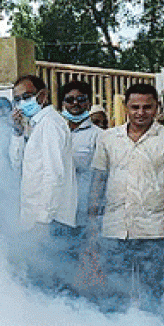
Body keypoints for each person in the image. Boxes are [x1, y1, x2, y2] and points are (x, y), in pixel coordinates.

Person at [88, 83, 164, 308]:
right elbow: (98, 182)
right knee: (114, 293)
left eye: (147, 107)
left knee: (154, 293)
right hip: (114, 230)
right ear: (126, 107)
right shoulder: (108, 138)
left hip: (154, 232)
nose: (141, 112)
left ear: (157, 108)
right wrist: (92, 224)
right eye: (135, 107)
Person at [15, 74, 81, 290]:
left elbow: (55, 175)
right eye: (17, 99)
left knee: (50, 287)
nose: (21, 103)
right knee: (41, 286)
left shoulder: (50, 124)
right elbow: (20, 167)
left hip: (50, 223)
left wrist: (43, 221)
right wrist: (17, 133)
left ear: (42, 96)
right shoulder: (37, 126)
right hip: (41, 221)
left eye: (26, 97)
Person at [59, 80, 103, 230]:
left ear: (89, 104)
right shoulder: (56, 134)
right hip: (59, 212)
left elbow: (102, 176)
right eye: (70, 100)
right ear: (63, 104)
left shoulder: (100, 136)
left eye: (81, 99)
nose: (75, 103)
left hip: (86, 215)